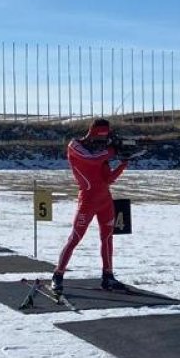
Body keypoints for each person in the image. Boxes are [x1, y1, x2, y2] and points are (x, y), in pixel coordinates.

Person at [52, 118, 133, 294]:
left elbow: (108, 179)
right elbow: (91, 159)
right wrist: (112, 151)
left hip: (105, 200)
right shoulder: (75, 145)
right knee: (75, 238)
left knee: (107, 238)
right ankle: (58, 275)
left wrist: (123, 163)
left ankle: (108, 276)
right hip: (87, 201)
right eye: (100, 138)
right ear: (92, 133)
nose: (102, 143)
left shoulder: (101, 152)